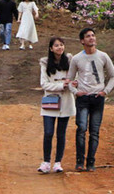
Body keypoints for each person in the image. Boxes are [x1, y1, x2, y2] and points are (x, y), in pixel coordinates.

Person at [67, 27, 114, 172]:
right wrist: (75, 92)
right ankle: (79, 161)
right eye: (88, 36)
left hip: (97, 98)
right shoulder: (77, 58)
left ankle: (91, 162)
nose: (91, 38)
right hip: (83, 98)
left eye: (93, 35)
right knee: (81, 128)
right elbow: (69, 79)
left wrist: (105, 91)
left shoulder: (103, 56)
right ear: (82, 41)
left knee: (94, 131)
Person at [38, 37, 77, 174]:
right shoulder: (45, 63)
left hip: (66, 101)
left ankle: (58, 162)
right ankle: (46, 161)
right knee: (48, 132)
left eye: (61, 45)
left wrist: (72, 84)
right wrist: (61, 85)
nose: (59, 48)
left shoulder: (70, 61)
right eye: (56, 45)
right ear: (51, 48)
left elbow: (75, 78)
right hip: (50, 101)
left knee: (61, 133)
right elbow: (44, 83)